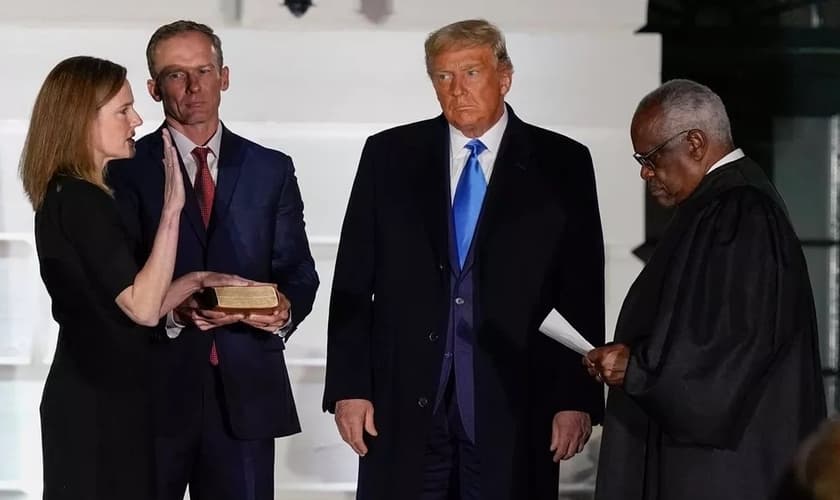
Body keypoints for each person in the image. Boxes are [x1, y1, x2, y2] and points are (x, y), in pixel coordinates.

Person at [323, 18, 605, 500]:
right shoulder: (389, 156)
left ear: (505, 76)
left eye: (471, 73)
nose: (457, 89)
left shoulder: (562, 163)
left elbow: (579, 288)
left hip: (517, 403)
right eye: (443, 76)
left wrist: (574, 398)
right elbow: (353, 279)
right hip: (403, 404)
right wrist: (350, 387)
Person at [106, 20, 319, 500]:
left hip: (246, 393)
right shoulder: (122, 169)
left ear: (224, 77)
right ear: (154, 88)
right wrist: (174, 312)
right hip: (153, 394)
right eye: (176, 74)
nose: (193, 86)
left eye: (203, 71)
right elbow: (115, 282)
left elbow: (298, 270)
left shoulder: (271, 168)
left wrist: (283, 310)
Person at [585, 79, 827, 500]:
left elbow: (727, 351)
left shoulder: (741, 212)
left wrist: (637, 370)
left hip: (725, 468)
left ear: (694, 143)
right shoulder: (722, 207)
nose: (645, 172)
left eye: (650, 157)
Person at [20, 56, 246, 500]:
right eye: (123, 110)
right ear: (83, 120)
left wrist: (197, 280)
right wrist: (173, 209)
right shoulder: (83, 200)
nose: (137, 120)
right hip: (100, 406)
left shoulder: (69, 194)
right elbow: (142, 309)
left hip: (101, 396)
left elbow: (129, 302)